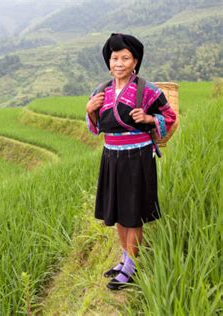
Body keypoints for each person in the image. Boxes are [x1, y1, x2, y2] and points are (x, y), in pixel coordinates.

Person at [85, 33, 176, 290]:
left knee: (133, 213)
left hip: (137, 158)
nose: (119, 63)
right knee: (118, 212)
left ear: (135, 61)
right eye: (115, 58)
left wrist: (148, 119)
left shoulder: (147, 91)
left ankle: (132, 267)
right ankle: (125, 258)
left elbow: (169, 117)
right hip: (111, 157)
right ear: (108, 62)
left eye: (126, 58)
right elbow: (95, 129)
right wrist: (90, 110)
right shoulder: (100, 92)